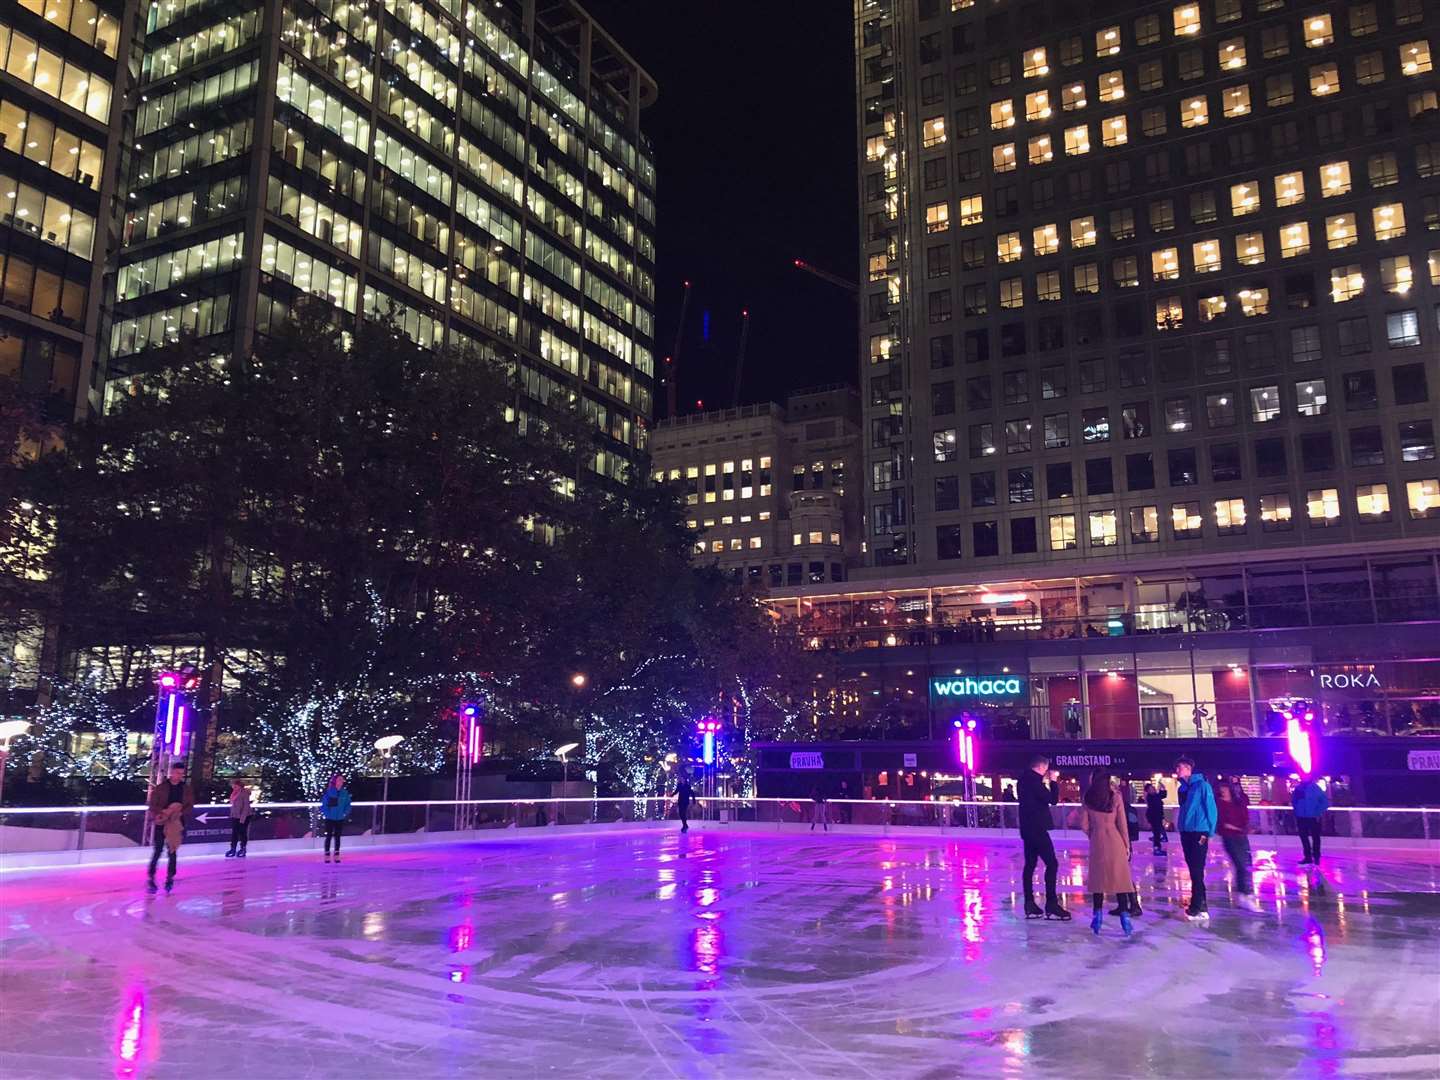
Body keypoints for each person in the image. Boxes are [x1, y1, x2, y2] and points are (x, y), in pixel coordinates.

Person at [1080, 772, 1138, 935]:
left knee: (1098, 880)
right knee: (1120, 879)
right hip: (1116, 840)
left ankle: (1097, 917)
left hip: (1098, 841)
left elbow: (1083, 824)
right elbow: (1122, 823)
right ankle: (1125, 920)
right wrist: (1127, 845)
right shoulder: (1115, 796)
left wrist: (1094, 834)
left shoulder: (1088, 797)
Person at [1017, 755, 1070, 920]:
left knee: (1030, 865)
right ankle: (1052, 904)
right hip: (1038, 829)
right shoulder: (1035, 782)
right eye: (1046, 770)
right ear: (1041, 767)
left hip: (1027, 829)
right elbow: (1052, 800)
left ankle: (1029, 903)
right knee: (1052, 864)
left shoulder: (1023, 780)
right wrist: (1053, 782)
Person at [1175, 756, 1217, 921]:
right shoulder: (1182, 789)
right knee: (1193, 868)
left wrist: (1209, 832)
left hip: (1200, 832)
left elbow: (1211, 809)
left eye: (1179, 768)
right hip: (1186, 833)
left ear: (1188, 768)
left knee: (1197, 869)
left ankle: (1196, 906)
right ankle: (1201, 905)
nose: (1177, 771)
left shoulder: (1202, 786)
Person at [146, 763, 194, 894]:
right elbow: (152, 805)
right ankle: (151, 877)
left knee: (172, 851)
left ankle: (170, 878)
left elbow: (190, 805)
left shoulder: (186, 789)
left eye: (181, 773)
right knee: (158, 850)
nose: (180, 776)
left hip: (177, 823)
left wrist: (180, 812)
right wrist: (163, 812)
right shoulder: (161, 788)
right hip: (162, 822)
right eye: (177, 773)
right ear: (172, 772)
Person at [1218, 782, 1261, 911]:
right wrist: (1237, 828)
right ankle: (1244, 895)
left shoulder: (1238, 803)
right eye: (1221, 789)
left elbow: (1245, 818)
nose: (1223, 791)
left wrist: (1248, 828)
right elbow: (1222, 824)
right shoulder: (1219, 804)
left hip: (1241, 837)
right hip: (1229, 838)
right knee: (1240, 865)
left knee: (1246, 865)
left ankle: (1245, 894)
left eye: (1225, 789)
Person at [1292, 777, 1330, 865]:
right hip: (1301, 817)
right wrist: (1297, 810)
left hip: (1313, 817)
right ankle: (1308, 857)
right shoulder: (1298, 789)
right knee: (1304, 837)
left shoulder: (1315, 788)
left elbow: (1325, 803)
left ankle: (1316, 856)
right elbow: (1294, 801)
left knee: (1315, 837)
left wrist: (1317, 812)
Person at [320, 774, 351, 862]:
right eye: (339, 780)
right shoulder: (329, 792)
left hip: (340, 818)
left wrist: (345, 813)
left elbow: (348, 804)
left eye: (342, 780)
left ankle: (337, 854)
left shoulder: (344, 793)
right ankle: (327, 854)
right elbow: (324, 805)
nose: (341, 781)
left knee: (338, 836)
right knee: (329, 836)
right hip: (330, 818)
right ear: (335, 781)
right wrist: (327, 814)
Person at [226, 778, 253, 858]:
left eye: (234, 784)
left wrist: (242, 818)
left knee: (242, 832)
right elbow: (233, 805)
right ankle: (233, 848)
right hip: (235, 816)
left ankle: (243, 848)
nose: (232, 786)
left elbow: (246, 807)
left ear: (238, 785)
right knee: (234, 833)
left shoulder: (244, 793)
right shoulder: (234, 793)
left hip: (244, 816)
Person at [1144, 782, 1168, 856]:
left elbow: (1163, 795)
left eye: (1153, 787)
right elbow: (1153, 808)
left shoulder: (1154, 796)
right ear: (1148, 790)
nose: (1153, 789)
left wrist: (1163, 787)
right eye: (1151, 788)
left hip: (1157, 817)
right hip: (1154, 817)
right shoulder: (1151, 797)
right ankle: (1157, 849)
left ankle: (1158, 847)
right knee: (1157, 833)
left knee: (1157, 833)